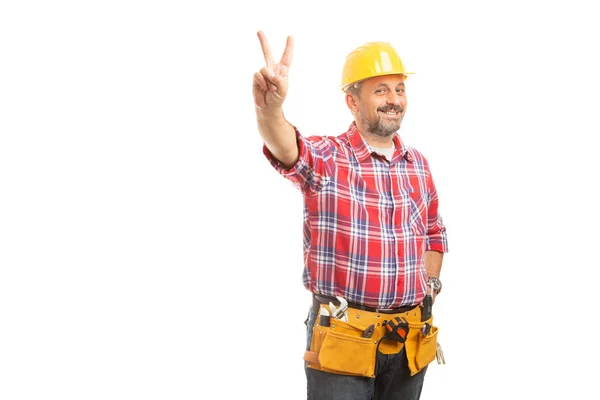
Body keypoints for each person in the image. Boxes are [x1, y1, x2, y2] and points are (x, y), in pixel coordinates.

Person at [252, 31, 449, 400]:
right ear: (352, 101)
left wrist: (431, 286)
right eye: (380, 90)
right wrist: (270, 110)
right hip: (343, 338)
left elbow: (434, 233)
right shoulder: (328, 158)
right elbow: (286, 147)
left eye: (399, 89)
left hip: (408, 340)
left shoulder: (418, 165)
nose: (394, 100)